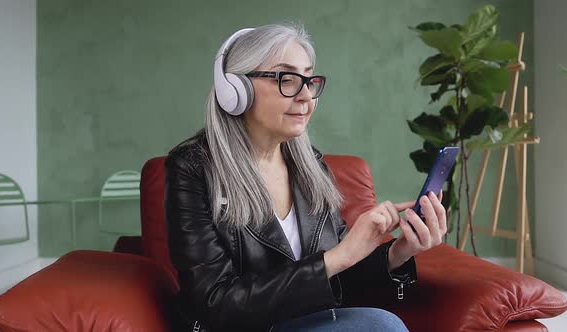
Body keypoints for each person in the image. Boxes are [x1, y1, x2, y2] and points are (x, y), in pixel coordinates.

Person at [164, 23, 447, 332]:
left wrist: (398, 252)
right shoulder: (192, 168)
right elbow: (216, 303)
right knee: (382, 326)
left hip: (306, 323)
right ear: (235, 90)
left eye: (309, 80)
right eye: (287, 79)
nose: (305, 96)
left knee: (380, 324)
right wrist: (335, 258)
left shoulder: (310, 164)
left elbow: (338, 283)